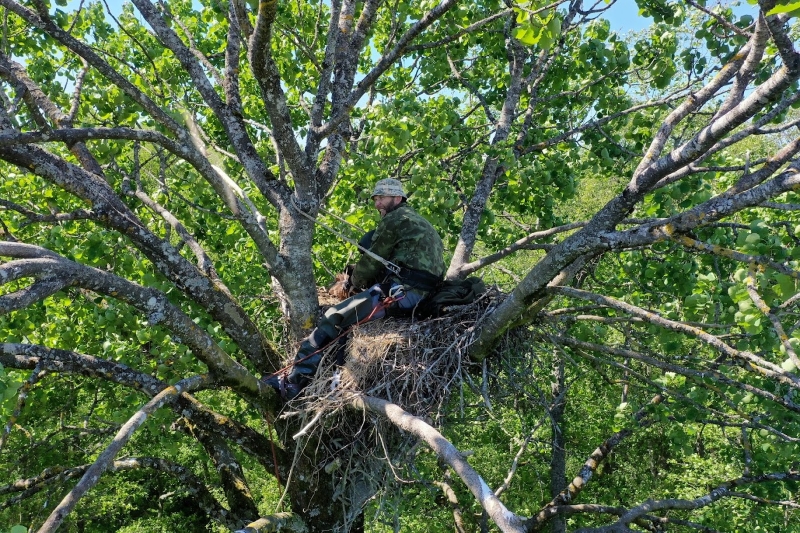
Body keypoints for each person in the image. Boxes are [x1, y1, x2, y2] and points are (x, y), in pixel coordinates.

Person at [263, 178, 445, 400]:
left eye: (382, 199)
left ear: (398, 198)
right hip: (422, 297)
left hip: (402, 294)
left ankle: (294, 382)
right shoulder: (422, 223)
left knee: (334, 316)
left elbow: (370, 263)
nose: (378, 204)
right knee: (347, 320)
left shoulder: (396, 219)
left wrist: (352, 284)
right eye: (376, 199)